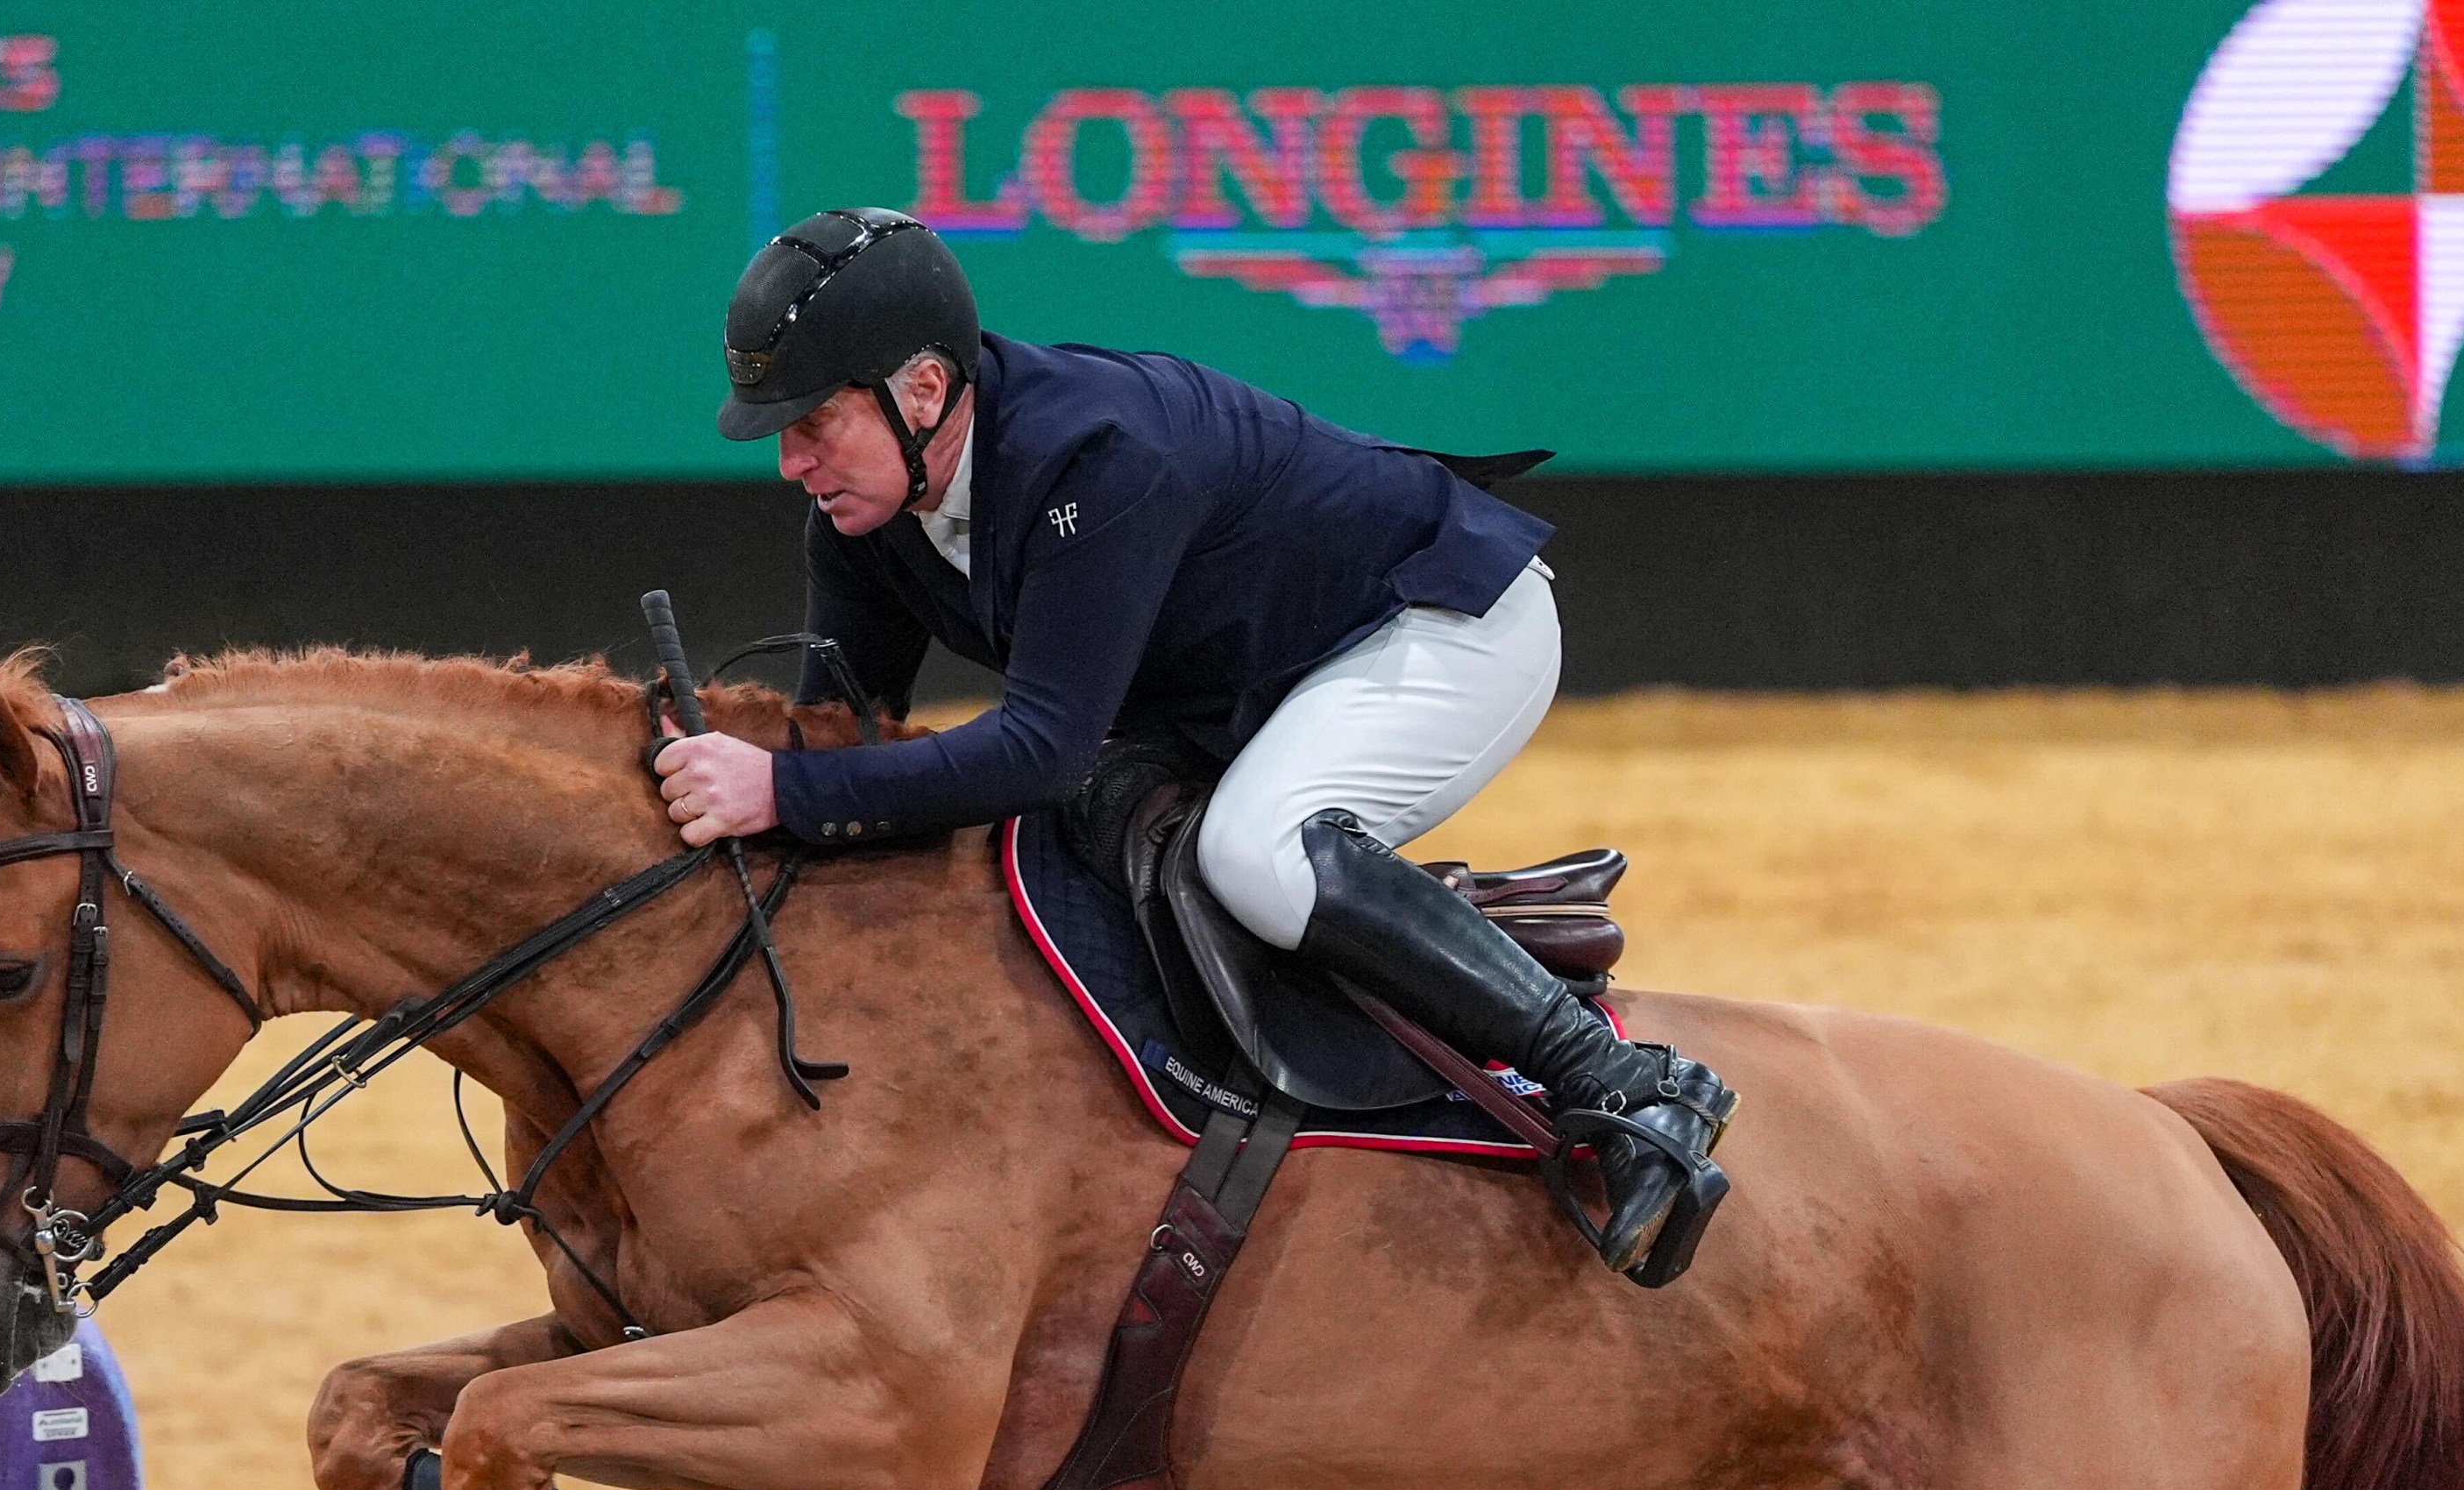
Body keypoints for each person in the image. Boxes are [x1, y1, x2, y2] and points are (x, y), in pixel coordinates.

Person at [654, 207, 1738, 1287]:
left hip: (1444, 629)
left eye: (812, 424)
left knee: (1255, 852)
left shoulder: (1097, 455)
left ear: (924, 392)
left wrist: (783, 789)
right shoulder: (865, 509)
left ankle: (1628, 1086)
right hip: (1252, 683)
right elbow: (840, 737)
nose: (792, 462)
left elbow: (1037, 750)